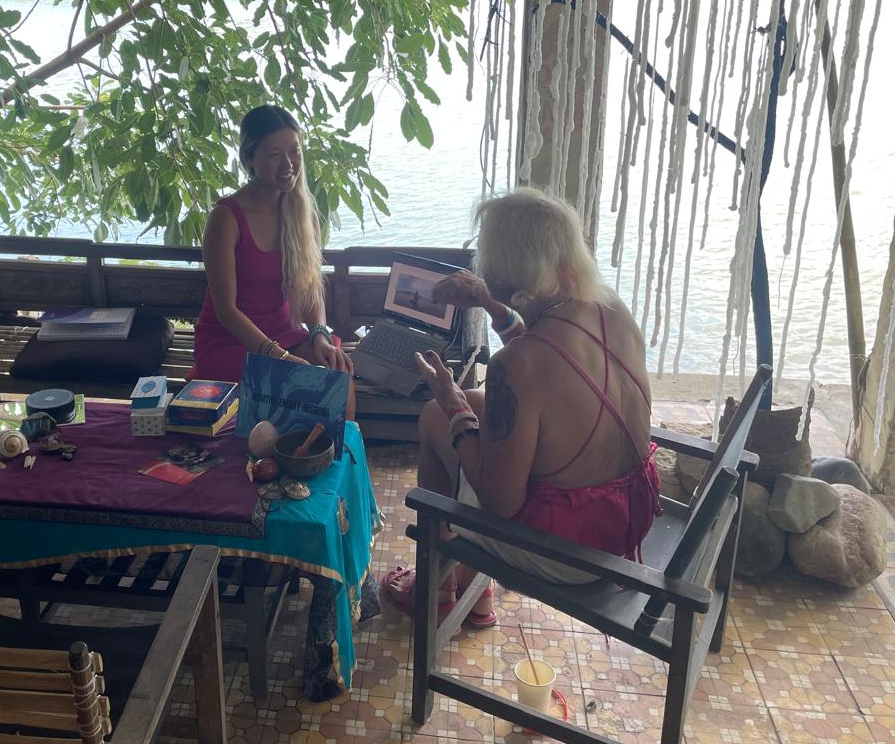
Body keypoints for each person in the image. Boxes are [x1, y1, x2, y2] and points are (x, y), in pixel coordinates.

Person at [383, 189, 659, 627]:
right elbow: (550, 364)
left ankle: (437, 591)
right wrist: (489, 302)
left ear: (504, 272)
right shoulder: (610, 308)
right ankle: (474, 594)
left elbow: (500, 503)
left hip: (570, 555)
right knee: (476, 407)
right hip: (627, 517)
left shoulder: (515, 365)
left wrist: (454, 407)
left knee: (436, 418)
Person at [193, 106, 353, 382]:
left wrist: (320, 335)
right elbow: (226, 311)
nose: (288, 164)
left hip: (284, 334)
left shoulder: (303, 216)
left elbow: (311, 290)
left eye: (294, 152)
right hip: (230, 342)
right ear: (248, 158)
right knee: (298, 382)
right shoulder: (226, 218)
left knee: (338, 373)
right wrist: (278, 356)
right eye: (274, 155)